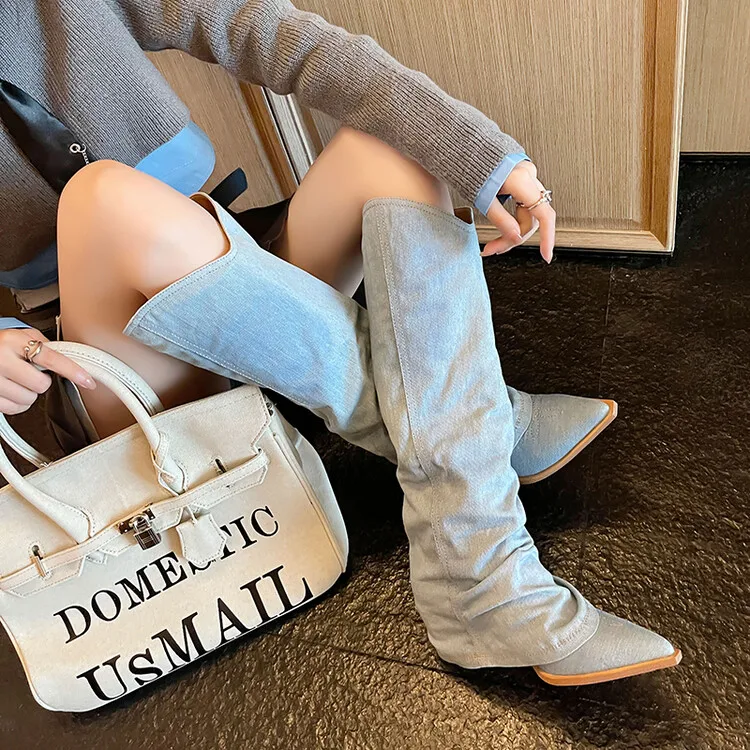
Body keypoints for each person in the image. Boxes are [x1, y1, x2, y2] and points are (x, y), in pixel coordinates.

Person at [0, 0, 680, 684]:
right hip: (111, 360)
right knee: (102, 197)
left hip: (213, 253)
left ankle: (474, 572)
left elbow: (269, 31)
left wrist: (478, 152)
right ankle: (480, 446)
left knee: (400, 141)